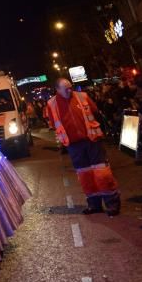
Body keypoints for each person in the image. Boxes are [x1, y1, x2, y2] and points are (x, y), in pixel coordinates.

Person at [46, 79, 120, 215]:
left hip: (92, 140)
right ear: (57, 89)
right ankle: (94, 204)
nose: (70, 90)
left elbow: (95, 112)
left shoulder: (82, 96)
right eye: (66, 88)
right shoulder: (51, 104)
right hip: (74, 145)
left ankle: (112, 204)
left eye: (70, 87)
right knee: (85, 176)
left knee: (102, 173)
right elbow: (53, 122)